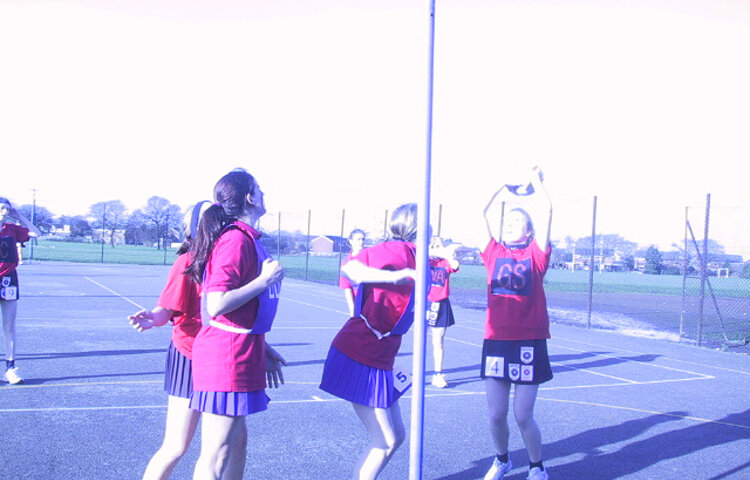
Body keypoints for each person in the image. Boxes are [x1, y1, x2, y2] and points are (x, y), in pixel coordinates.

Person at [129, 200, 249, 480]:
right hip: (190, 356)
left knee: (236, 443)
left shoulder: (229, 257)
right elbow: (167, 309)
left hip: (224, 359)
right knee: (176, 446)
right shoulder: (188, 261)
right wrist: (154, 318)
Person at [186, 169, 286, 480]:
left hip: (242, 349)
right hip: (225, 357)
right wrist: (263, 281)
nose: (264, 194)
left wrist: (262, 345)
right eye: (260, 189)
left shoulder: (247, 238)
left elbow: (244, 310)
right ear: (250, 198)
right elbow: (216, 304)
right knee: (216, 455)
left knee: (236, 447)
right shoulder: (235, 240)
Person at [320, 203, 418, 480]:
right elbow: (351, 268)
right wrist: (396, 276)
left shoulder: (416, 255)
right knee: (385, 439)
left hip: (381, 357)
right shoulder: (396, 251)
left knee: (396, 436)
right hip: (360, 351)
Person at [480, 166, 553, 480]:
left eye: (517, 222)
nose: (510, 225)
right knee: (497, 415)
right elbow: (481, 211)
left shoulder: (536, 256)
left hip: (528, 343)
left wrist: (537, 186)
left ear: (530, 232)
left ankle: (537, 467)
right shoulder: (493, 252)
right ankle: (502, 460)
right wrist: (500, 186)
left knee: (523, 415)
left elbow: (548, 210)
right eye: (507, 221)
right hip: (496, 341)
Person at [0, 197, 41, 385]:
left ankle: (10, 368)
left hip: (8, 280)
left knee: (9, 326)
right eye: (0, 208)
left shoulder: (12, 229)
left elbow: (36, 233)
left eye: (6, 209)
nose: (3, 212)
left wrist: (19, 216)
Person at [426, 236, 460, 389]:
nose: (436, 247)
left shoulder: (445, 262)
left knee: (438, 341)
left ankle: (437, 374)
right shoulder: (425, 261)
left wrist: (446, 253)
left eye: (438, 245)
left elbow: (455, 264)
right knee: (419, 340)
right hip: (425, 304)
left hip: (440, 304)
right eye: (433, 244)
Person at [340, 228, 366, 316]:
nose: (361, 242)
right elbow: (347, 287)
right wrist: (352, 308)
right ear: (351, 241)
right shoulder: (346, 261)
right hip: (358, 301)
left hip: (372, 303)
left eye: (363, 239)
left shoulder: (370, 257)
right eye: (358, 239)